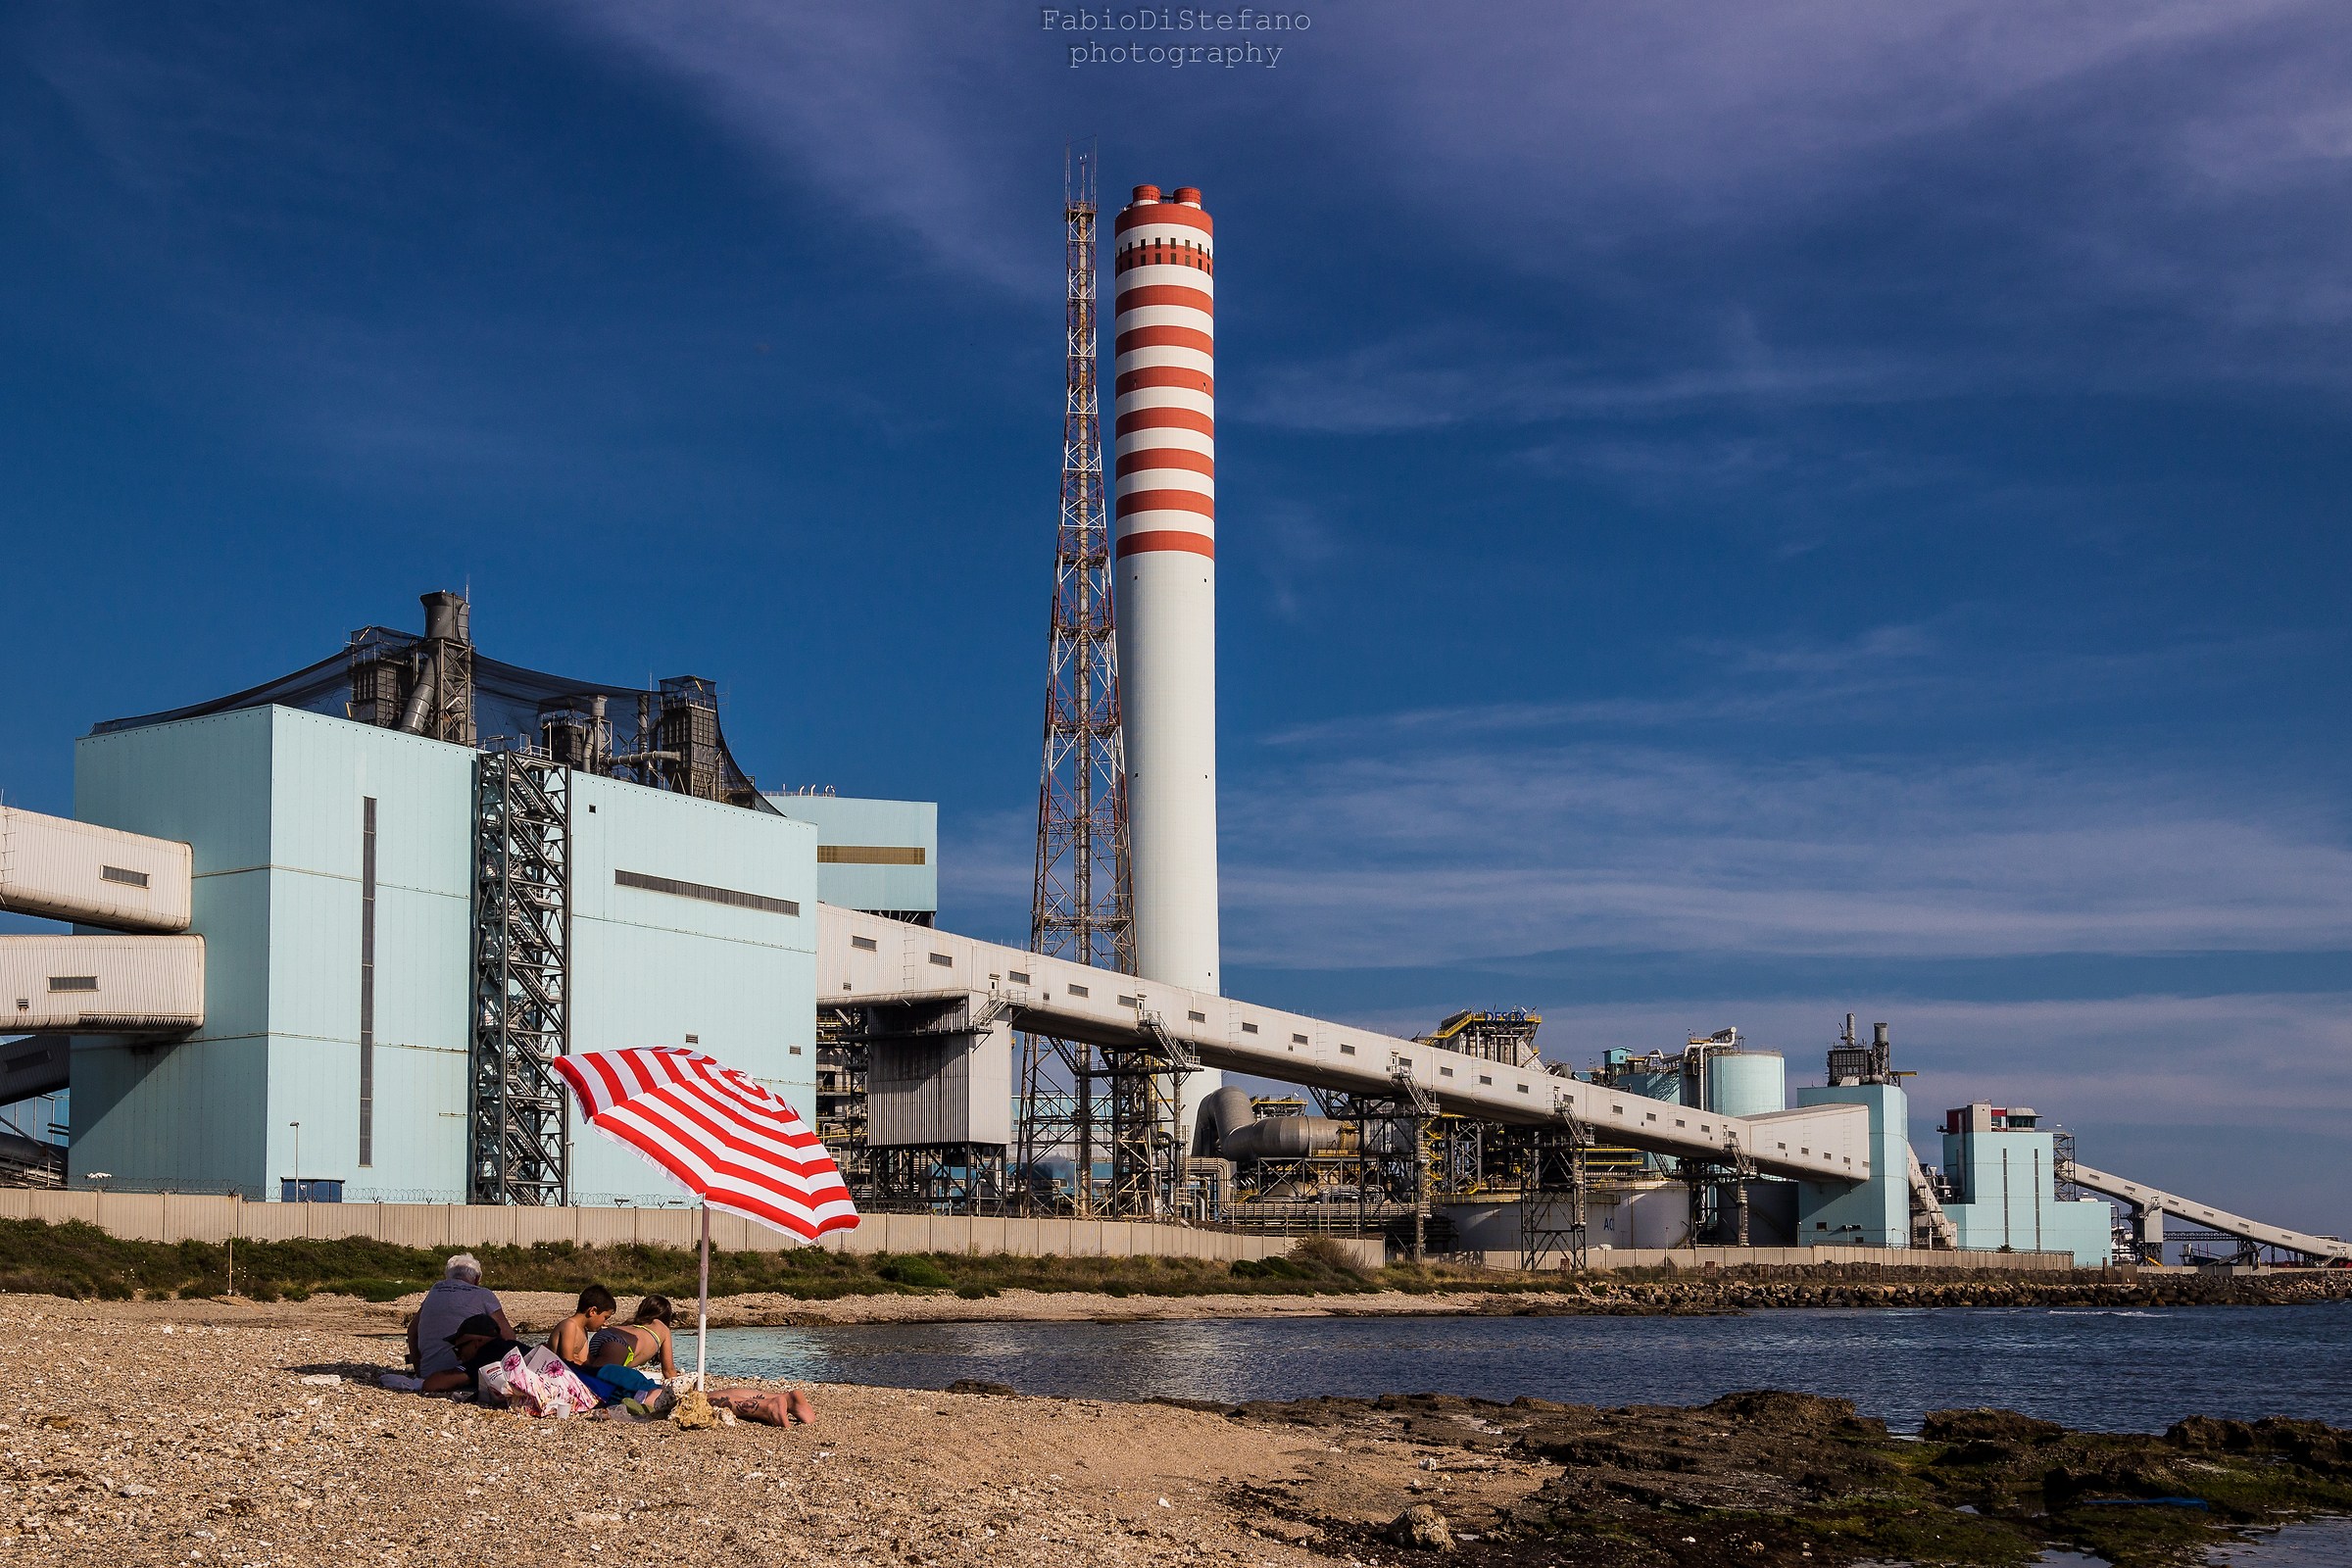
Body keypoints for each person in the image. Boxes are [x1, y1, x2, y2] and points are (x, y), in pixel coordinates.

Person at [407, 1254, 514, 1394]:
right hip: (466, 1375)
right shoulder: (483, 1294)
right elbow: (508, 1336)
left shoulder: (435, 1290)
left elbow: (412, 1330)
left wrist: (419, 1370)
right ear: (476, 1279)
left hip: (427, 1372)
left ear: (448, 1277)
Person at [587, 1294, 679, 1381]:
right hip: (620, 1344)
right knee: (599, 1383)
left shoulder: (631, 1323)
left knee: (588, 1375)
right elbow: (669, 1371)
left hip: (603, 1335)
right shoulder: (663, 1328)